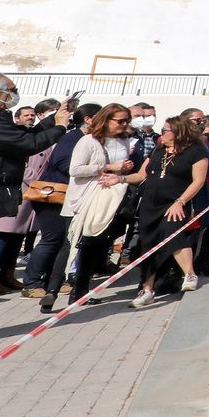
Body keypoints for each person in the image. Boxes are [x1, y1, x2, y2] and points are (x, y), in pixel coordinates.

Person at [0, 75, 70, 344]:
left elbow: (21, 135)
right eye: (11, 91)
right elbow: (26, 145)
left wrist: (52, 120)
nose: (15, 95)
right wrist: (60, 128)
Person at [54, 104, 136, 311]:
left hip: (110, 201)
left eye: (127, 121)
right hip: (85, 201)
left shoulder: (124, 141)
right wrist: (107, 167)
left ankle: (81, 289)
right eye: (120, 121)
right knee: (78, 245)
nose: (124, 125)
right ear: (106, 120)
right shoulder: (88, 141)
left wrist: (124, 170)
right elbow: (75, 169)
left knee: (97, 247)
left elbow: (121, 167)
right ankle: (60, 290)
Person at [121, 116, 209, 308]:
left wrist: (180, 201)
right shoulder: (158, 150)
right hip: (150, 204)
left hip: (174, 203)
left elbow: (198, 181)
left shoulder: (196, 152)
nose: (161, 134)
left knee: (173, 234)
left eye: (165, 130)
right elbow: (141, 175)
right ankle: (147, 289)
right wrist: (120, 180)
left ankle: (189, 274)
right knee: (148, 245)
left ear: (178, 132)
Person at [20, 102, 100, 299]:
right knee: (51, 239)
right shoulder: (72, 138)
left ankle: (51, 280)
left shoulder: (88, 138)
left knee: (63, 241)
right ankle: (32, 282)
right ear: (88, 119)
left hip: (68, 196)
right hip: (53, 195)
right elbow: (63, 163)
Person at [0, 105, 43, 295]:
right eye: (26, 115)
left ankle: (8, 274)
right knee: (2, 236)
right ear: (17, 118)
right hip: (13, 189)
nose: (30, 118)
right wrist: (37, 179)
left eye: (32, 115)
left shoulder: (32, 135)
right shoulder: (12, 135)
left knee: (18, 237)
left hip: (29, 194)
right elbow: (20, 163)